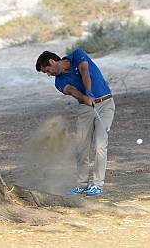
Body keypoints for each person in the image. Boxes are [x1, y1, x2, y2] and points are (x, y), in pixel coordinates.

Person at [35, 49, 115, 197]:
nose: (48, 74)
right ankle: (81, 185)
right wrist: (85, 98)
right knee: (81, 147)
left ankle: (97, 185)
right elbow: (72, 91)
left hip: (105, 104)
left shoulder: (77, 55)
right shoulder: (59, 82)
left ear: (52, 62)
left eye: (47, 70)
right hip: (85, 109)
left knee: (99, 146)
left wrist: (89, 92)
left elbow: (84, 70)